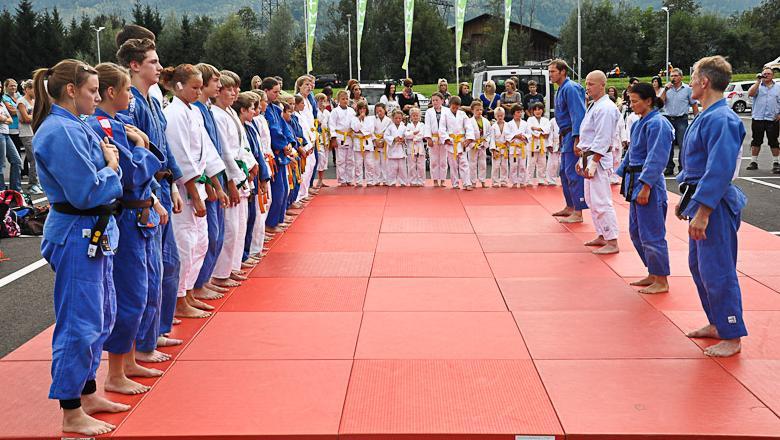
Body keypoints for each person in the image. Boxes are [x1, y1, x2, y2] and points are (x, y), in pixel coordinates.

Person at [32, 59, 128, 436]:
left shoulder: (77, 126)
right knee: (79, 322)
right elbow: (86, 191)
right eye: (91, 91)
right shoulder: (58, 131)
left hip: (93, 231)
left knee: (103, 314)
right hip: (76, 232)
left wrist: (109, 168)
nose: (95, 97)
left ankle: (87, 393)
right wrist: (112, 167)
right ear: (71, 90)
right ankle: (70, 410)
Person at [86, 62, 165, 396]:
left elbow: (140, 177)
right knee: (130, 295)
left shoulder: (120, 122)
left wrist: (155, 200)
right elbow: (131, 175)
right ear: (111, 92)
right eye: (126, 90)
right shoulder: (103, 125)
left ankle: (129, 360)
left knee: (143, 291)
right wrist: (143, 149)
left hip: (141, 215)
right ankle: (115, 372)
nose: (130, 96)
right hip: (126, 219)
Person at [675, 55, 747, 358]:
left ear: (704, 82)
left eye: (692, 77)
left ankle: (731, 333)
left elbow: (719, 168)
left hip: (714, 206)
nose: (691, 82)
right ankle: (717, 322)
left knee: (718, 269)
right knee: (700, 267)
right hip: (700, 202)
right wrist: (688, 204)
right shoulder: (706, 114)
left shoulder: (722, 119)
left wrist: (703, 211)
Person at [117, 37, 183, 362]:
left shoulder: (154, 104)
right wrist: (152, 193)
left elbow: (164, 151)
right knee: (152, 269)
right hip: (144, 192)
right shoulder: (131, 106)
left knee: (169, 263)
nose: (159, 67)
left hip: (160, 186)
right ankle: (143, 344)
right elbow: (134, 155)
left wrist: (172, 182)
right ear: (134, 65)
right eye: (153, 62)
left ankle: (155, 330)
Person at [162, 64, 227, 320]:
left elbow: (208, 152)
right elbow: (181, 156)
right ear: (178, 86)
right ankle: (179, 299)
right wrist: (195, 193)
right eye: (194, 87)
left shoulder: (193, 112)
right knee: (185, 246)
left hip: (198, 184)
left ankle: (188, 292)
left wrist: (216, 185)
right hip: (184, 189)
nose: (198, 92)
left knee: (200, 243)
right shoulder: (174, 114)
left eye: (200, 87)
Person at [617, 82, 673, 294]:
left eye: (634, 101)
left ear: (648, 101)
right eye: (630, 101)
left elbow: (657, 158)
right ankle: (653, 272)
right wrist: (619, 174)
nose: (631, 105)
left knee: (652, 233)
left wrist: (646, 185)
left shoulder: (659, 124)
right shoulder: (639, 123)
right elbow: (632, 153)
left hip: (648, 183)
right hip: (635, 180)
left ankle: (662, 280)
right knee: (636, 232)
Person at [212, 72, 259, 290]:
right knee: (230, 228)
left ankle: (232, 267)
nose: (234, 93)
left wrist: (250, 165)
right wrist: (233, 180)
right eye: (230, 89)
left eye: (236, 89)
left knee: (239, 225)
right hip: (231, 175)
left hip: (241, 173)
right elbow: (224, 152)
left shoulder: (230, 112)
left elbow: (243, 147)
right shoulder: (217, 115)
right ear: (218, 91)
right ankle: (220, 274)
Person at [191, 63, 230, 301]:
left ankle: (202, 282)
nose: (220, 85)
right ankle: (196, 286)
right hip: (203, 180)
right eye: (216, 81)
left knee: (215, 235)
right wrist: (209, 183)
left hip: (214, 176)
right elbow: (197, 152)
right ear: (204, 83)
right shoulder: (195, 109)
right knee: (206, 237)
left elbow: (212, 150)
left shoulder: (204, 108)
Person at [577, 70, 621, 255]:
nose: (588, 87)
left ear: (602, 85)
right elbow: (590, 135)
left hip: (599, 159)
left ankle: (612, 241)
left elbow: (603, 138)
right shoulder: (595, 105)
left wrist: (593, 161)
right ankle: (602, 234)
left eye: (591, 84)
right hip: (589, 155)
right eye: (586, 83)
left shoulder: (606, 108)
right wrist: (583, 158)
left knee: (602, 200)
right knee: (590, 199)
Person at [549, 59, 587, 223]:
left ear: (563, 71)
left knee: (573, 172)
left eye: (553, 71)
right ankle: (570, 206)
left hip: (572, 133)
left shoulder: (570, 88)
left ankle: (578, 211)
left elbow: (578, 114)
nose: (550, 75)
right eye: (549, 72)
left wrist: (577, 138)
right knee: (564, 172)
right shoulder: (560, 89)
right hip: (565, 133)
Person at [263, 77, 295, 233]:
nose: (277, 94)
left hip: (283, 154)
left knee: (284, 189)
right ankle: (270, 223)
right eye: (274, 92)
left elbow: (285, 128)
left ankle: (277, 219)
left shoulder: (276, 109)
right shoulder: (266, 112)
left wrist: (290, 143)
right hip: (275, 154)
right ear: (266, 91)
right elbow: (274, 131)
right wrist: (283, 146)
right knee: (278, 191)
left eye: (278, 91)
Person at [661, 67, 699, 175]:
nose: (673, 78)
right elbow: (660, 102)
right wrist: (665, 89)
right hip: (668, 119)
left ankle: (682, 167)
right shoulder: (667, 89)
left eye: (676, 75)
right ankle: (669, 167)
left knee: (683, 144)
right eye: (672, 76)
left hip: (681, 119)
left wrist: (696, 120)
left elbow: (694, 104)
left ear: (681, 77)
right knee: (668, 145)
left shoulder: (687, 89)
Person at [746, 67, 780, 173]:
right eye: (764, 74)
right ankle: (753, 161)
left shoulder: (778, 87)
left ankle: (776, 162)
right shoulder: (757, 86)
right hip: (758, 118)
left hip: (772, 119)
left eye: (768, 74)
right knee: (756, 140)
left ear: (772, 75)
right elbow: (750, 94)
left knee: (773, 141)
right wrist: (757, 82)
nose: (766, 76)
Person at [18, 80, 42, 194]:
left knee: (37, 158)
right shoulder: (21, 101)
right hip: (26, 133)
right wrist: (36, 116)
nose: (35, 91)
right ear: (27, 89)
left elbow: (30, 117)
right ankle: (32, 184)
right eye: (33, 88)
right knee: (33, 159)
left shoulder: (34, 101)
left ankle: (36, 182)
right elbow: (25, 119)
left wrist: (32, 116)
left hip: (35, 132)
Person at [329, 90, 356, 186]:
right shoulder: (335, 111)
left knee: (350, 159)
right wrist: (333, 138)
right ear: (338, 100)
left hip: (349, 136)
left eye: (346, 99)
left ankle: (349, 179)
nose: (345, 101)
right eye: (343, 99)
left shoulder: (352, 111)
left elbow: (354, 123)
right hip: (339, 136)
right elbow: (331, 125)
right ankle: (342, 180)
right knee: (341, 160)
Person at [0, 94, 22, 192]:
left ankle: (15, 190)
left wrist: (4, 119)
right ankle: (1, 191)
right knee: (1, 164)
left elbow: (10, 119)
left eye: (0, 86)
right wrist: (5, 119)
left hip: (6, 133)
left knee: (17, 161)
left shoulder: (1, 102)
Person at [351, 100, 376, 186]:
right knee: (358, 164)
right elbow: (355, 129)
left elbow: (371, 130)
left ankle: (370, 181)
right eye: (361, 108)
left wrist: (362, 132)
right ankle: (358, 181)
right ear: (357, 109)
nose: (362, 110)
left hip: (367, 142)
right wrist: (360, 119)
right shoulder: (354, 119)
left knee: (369, 163)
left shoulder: (371, 119)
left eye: (364, 108)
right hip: (358, 142)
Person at [467, 101, 491, 188]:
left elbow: (489, 133)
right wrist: (472, 144)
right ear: (472, 110)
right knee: (472, 164)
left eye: (481, 110)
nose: (479, 112)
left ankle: (483, 181)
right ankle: (473, 181)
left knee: (483, 163)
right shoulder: (469, 121)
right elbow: (467, 134)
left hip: (482, 144)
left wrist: (485, 142)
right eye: (477, 110)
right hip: (473, 144)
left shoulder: (486, 121)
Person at [526, 102, 550, 186]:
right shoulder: (530, 119)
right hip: (533, 143)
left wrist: (537, 128)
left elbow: (547, 130)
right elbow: (530, 130)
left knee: (542, 163)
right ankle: (528, 180)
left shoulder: (546, 120)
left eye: (539, 109)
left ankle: (542, 179)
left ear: (542, 110)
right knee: (531, 163)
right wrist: (540, 132)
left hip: (542, 144)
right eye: (535, 109)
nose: (537, 111)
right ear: (532, 111)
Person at [384, 109, 409, 186]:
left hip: (401, 151)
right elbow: (385, 136)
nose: (398, 120)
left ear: (402, 118)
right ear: (392, 118)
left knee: (402, 169)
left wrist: (403, 139)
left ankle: (403, 182)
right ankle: (391, 182)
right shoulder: (390, 127)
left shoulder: (404, 127)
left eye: (399, 118)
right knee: (392, 169)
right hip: (392, 150)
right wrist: (394, 139)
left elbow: (407, 135)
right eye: (396, 118)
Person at [507, 104, 529, 188]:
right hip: (514, 147)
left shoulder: (525, 123)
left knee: (523, 165)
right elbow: (507, 135)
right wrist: (516, 136)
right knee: (513, 165)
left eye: (521, 112)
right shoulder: (509, 124)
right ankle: (514, 182)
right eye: (518, 112)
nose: (520, 113)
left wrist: (524, 136)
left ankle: (522, 181)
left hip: (522, 146)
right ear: (513, 113)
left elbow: (529, 134)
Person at [489, 106, 510, 187]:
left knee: (504, 165)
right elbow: (492, 139)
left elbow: (509, 137)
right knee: (496, 166)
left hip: (504, 148)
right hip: (496, 148)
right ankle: (495, 182)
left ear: (504, 115)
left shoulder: (508, 125)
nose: (500, 117)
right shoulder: (493, 127)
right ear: (495, 116)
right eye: (498, 116)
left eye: (501, 115)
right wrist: (493, 150)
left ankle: (504, 181)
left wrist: (508, 144)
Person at [406, 107, 427, 186]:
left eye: (417, 115)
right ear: (410, 117)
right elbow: (406, 135)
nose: (415, 117)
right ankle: (412, 181)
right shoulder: (408, 125)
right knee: (411, 165)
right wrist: (414, 133)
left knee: (420, 165)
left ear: (420, 117)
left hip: (419, 147)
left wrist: (412, 135)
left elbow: (422, 135)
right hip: (411, 147)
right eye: (413, 115)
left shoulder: (422, 125)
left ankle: (421, 181)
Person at [373, 102, 392, 185]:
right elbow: (371, 131)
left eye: (380, 111)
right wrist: (375, 140)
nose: (379, 113)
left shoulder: (389, 121)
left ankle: (385, 180)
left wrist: (384, 140)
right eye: (377, 111)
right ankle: (376, 179)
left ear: (385, 110)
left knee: (385, 162)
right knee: (376, 162)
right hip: (376, 142)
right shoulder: (373, 120)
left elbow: (390, 132)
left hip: (385, 142)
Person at [315, 93, 331, 188]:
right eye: (320, 100)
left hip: (326, 137)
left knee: (324, 159)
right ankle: (316, 180)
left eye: (323, 100)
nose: (322, 103)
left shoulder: (327, 113)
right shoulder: (315, 111)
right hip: (317, 136)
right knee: (320, 158)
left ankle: (321, 180)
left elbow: (330, 125)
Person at [545, 117, 561, 186]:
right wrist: (549, 144)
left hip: (566, 142)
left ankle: (565, 180)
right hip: (554, 143)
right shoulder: (553, 120)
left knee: (564, 164)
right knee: (553, 163)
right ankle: (551, 180)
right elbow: (549, 133)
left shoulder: (569, 117)